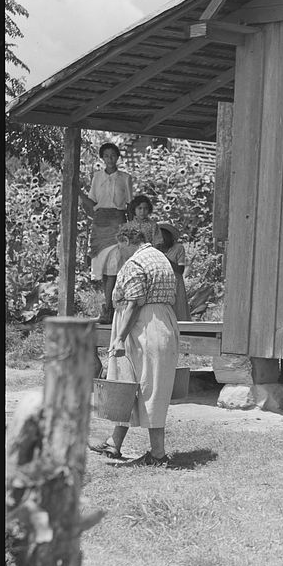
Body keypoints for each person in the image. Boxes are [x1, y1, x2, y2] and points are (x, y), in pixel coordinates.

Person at [87, 223, 181, 467]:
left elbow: (134, 303)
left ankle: (158, 455)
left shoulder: (136, 263)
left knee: (146, 386)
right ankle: (114, 443)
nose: (120, 252)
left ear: (128, 241)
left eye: (120, 246)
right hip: (164, 322)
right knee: (129, 385)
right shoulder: (160, 258)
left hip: (143, 328)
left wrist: (119, 337)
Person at [80, 142, 133, 324]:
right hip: (100, 224)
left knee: (114, 267)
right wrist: (77, 192)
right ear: (102, 158)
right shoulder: (96, 177)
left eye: (113, 155)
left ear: (118, 157)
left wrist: (132, 228)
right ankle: (109, 306)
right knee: (103, 269)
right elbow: (92, 202)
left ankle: (109, 307)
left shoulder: (125, 178)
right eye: (106, 156)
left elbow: (130, 205)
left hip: (118, 223)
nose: (110, 159)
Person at [158, 222, 191, 321]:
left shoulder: (178, 248)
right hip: (161, 283)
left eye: (163, 237)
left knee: (177, 307)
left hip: (176, 282)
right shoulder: (154, 249)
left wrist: (165, 258)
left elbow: (180, 270)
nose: (161, 240)